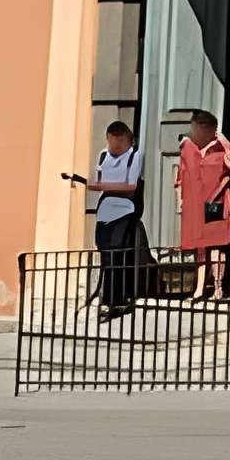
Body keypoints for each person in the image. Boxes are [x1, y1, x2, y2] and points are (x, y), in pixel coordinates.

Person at [176, 107, 230, 300]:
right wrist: (180, 201)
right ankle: (198, 289)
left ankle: (218, 287)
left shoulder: (219, 148)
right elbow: (181, 177)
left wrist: (222, 138)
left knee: (216, 246)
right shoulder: (188, 149)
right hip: (195, 205)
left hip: (216, 202)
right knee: (200, 247)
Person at [80, 117, 145, 321]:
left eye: (120, 143)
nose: (115, 147)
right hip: (105, 212)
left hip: (124, 210)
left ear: (128, 141)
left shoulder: (135, 156)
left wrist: (102, 186)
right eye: (112, 142)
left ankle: (116, 299)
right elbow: (100, 180)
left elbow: (131, 185)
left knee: (118, 255)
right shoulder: (103, 156)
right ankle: (105, 298)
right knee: (105, 254)